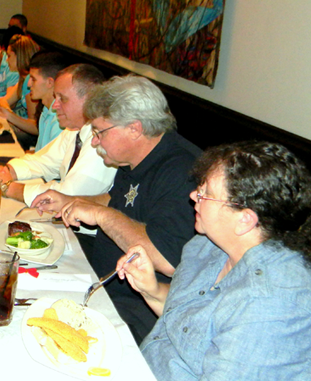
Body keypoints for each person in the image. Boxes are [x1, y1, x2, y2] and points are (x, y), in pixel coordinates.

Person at [118, 141, 311, 380]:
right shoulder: (208, 246)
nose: (193, 195)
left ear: (245, 220)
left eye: (206, 194)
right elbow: (191, 325)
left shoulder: (270, 304)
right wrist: (153, 291)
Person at [32, 75, 202, 343]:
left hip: (135, 307)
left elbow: (167, 260)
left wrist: (100, 215)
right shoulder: (133, 157)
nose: (95, 142)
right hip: (101, 280)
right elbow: (116, 200)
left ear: (134, 128)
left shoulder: (182, 172)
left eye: (99, 132)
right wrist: (72, 201)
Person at [0, 64, 115, 252]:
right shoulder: (75, 129)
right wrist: (8, 171)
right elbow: (44, 160)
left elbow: (66, 196)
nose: (54, 106)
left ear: (90, 100)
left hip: (88, 242)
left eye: (62, 99)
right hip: (67, 228)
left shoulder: (101, 143)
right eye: (55, 97)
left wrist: (8, 187)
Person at [0, 34, 40, 150]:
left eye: (9, 56)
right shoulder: (22, 79)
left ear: (20, 56)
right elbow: (4, 101)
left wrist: (10, 116)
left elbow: (35, 127)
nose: (7, 60)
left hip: (33, 137)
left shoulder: (30, 81)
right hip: (23, 128)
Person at [26, 51, 68, 151]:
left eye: (33, 79)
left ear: (50, 83)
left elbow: (50, 165)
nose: (28, 84)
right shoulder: (45, 109)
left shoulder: (59, 119)